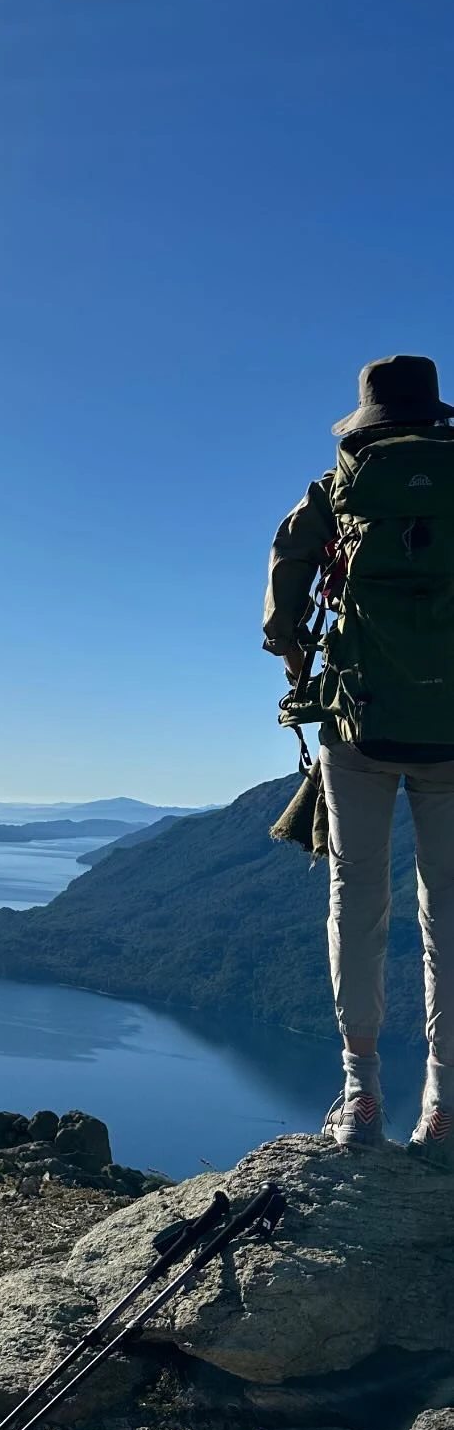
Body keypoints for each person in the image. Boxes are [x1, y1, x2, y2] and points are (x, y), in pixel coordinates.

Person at [264, 354, 454, 1161]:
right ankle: (444, 1106)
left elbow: (283, 592)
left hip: (359, 726)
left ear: (366, 416)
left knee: (358, 901)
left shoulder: (338, 484)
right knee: (447, 912)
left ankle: (363, 1091)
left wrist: (295, 652)